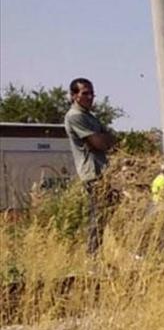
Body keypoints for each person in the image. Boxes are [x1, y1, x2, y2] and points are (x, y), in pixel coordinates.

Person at [63, 77, 118, 253]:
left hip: (102, 171)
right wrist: (103, 139)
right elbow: (99, 143)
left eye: (91, 93)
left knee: (108, 213)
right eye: (85, 93)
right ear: (74, 96)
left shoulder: (89, 116)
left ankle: (99, 254)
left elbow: (112, 139)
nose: (90, 97)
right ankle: (93, 256)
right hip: (92, 172)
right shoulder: (75, 116)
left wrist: (105, 139)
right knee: (99, 215)